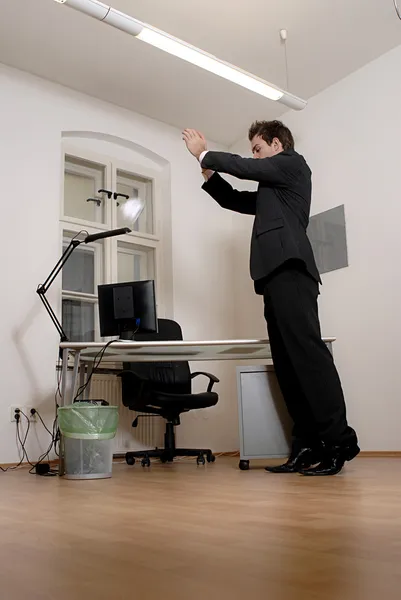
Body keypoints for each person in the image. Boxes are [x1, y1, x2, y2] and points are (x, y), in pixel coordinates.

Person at [182, 121, 359, 476]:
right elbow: (233, 199)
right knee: (289, 367)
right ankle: (307, 445)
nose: (255, 156)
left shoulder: (293, 165)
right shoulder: (271, 192)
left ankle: (339, 443)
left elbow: (249, 169)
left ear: (277, 144)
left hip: (292, 272)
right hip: (273, 277)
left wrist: (204, 150)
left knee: (309, 360)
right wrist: (208, 172)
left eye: (258, 149)